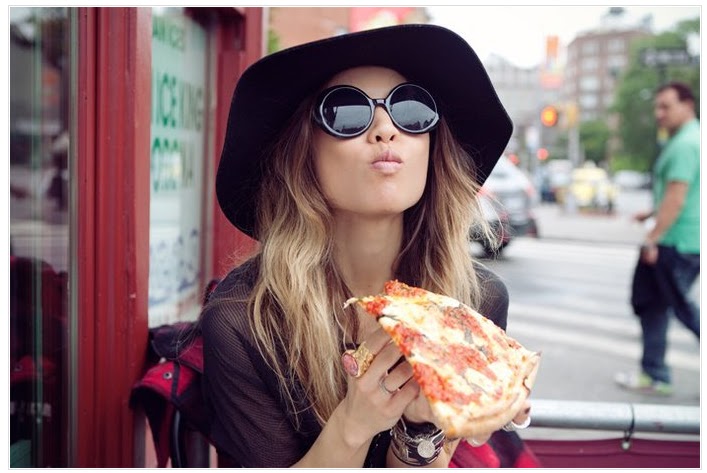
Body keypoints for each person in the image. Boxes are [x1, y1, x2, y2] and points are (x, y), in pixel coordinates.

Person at [199, 24, 531, 468]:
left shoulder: (477, 301)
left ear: (432, 149)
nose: (384, 128)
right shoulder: (243, 321)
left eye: (411, 109)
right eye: (346, 111)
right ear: (303, 152)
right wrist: (355, 423)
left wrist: (422, 427)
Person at [615, 81, 700, 396]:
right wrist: (651, 213)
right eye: (657, 106)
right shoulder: (689, 140)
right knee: (654, 306)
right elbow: (681, 195)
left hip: (674, 243)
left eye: (666, 106)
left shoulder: (685, 145)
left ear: (687, 105)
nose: (659, 113)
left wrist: (652, 237)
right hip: (678, 239)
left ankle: (655, 374)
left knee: (681, 309)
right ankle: (655, 374)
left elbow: (677, 199)